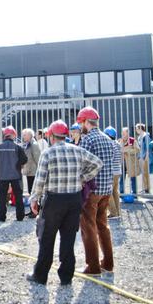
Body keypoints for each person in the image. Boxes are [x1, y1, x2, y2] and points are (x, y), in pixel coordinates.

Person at [26, 120, 102, 286]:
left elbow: (39, 181)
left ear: (51, 136)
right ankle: (66, 277)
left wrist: (33, 199)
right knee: (68, 238)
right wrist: (82, 178)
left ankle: (40, 275)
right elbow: (98, 163)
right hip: (74, 199)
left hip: (54, 200)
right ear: (65, 135)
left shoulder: (48, 153)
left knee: (47, 238)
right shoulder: (78, 151)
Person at [76, 106, 116, 276]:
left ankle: (93, 267)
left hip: (91, 192)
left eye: (81, 123)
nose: (80, 127)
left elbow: (81, 165)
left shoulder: (87, 140)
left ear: (86, 121)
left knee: (88, 227)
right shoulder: (109, 139)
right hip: (106, 190)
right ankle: (108, 263)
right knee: (103, 226)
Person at [0, 126, 28, 222]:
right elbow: (25, 159)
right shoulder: (17, 147)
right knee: (18, 196)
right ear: (13, 135)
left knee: (2, 197)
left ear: (5, 136)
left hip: (2, 176)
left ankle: (1, 217)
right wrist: (18, 165)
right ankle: (20, 217)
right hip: (16, 176)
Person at [21, 128, 41, 218]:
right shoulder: (29, 144)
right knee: (30, 192)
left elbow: (38, 159)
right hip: (30, 172)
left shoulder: (34, 144)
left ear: (30, 135)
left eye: (24, 135)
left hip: (34, 172)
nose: (23, 136)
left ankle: (35, 211)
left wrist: (39, 171)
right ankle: (32, 210)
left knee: (34, 192)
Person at [104, 127, 122, 218]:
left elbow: (110, 158)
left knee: (108, 192)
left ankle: (113, 212)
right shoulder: (117, 143)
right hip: (118, 170)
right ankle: (118, 212)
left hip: (111, 171)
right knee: (115, 191)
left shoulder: (110, 144)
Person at [120, 127, 138, 196]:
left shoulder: (132, 140)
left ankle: (134, 193)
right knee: (122, 178)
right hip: (122, 162)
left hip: (130, 162)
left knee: (133, 178)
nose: (123, 134)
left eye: (124, 133)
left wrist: (128, 151)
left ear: (128, 133)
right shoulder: (120, 141)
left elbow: (137, 150)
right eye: (122, 133)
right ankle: (121, 192)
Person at [135, 123, 151, 193]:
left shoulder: (146, 136)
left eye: (137, 128)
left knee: (145, 173)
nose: (136, 130)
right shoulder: (139, 137)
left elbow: (148, 148)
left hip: (144, 157)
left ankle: (147, 188)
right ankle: (145, 188)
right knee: (143, 173)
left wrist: (146, 157)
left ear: (140, 129)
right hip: (140, 157)